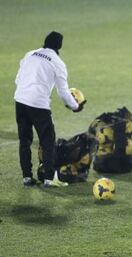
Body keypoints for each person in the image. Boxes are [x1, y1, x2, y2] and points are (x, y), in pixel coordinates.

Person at [14, 31, 84, 187]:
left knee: (24, 140)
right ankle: (49, 178)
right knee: (48, 142)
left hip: (20, 100)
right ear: (59, 45)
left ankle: (26, 177)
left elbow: (18, 79)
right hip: (39, 104)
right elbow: (63, 93)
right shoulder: (57, 63)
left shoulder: (30, 54)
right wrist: (76, 106)